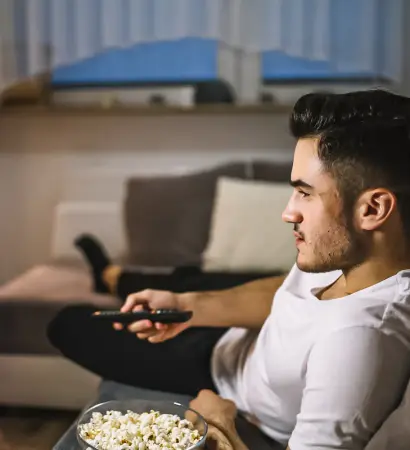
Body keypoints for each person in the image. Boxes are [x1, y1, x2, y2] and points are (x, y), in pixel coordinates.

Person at [48, 89, 410, 450]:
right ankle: (115, 277)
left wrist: (219, 423)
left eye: (305, 193)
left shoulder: (357, 340)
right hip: (237, 341)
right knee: (185, 279)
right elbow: (287, 291)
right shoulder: (350, 257)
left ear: (373, 209)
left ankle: (111, 278)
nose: (288, 213)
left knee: (69, 323)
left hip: (215, 375)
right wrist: (190, 306)